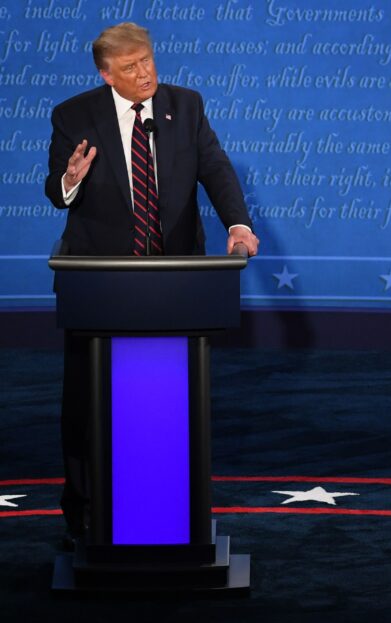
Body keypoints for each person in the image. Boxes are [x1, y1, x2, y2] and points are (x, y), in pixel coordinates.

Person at [44, 22, 259, 545]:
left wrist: (238, 223)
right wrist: (72, 178)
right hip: (98, 283)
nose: (145, 74)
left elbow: (215, 167)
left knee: (173, 397)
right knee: (85, 402)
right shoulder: (74, 115)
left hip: (175, 283)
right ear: (106, 73)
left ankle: (173, 506)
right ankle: (84, 511)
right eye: (130, 67)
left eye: (147, 61)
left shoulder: (184, 106)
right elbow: (56, 190)